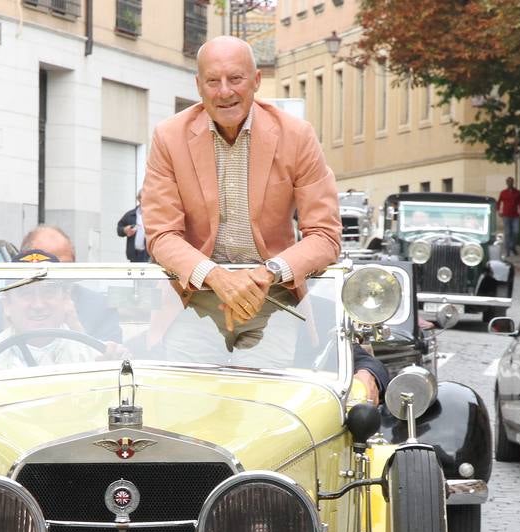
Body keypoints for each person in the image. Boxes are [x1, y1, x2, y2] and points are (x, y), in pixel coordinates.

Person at [141, 35, 387, 401]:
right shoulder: (168, 136)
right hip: (195, 298)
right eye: (213, 81)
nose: (225, 91)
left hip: (272, 297)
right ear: (198, 86)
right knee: (184, 403)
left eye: (236, 79)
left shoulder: (297, 135)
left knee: (262, 404)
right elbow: (161, 235)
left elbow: (325, 236)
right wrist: (215, 276)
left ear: (256, 80)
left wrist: (268, 273)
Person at [116, 192, 151, 263]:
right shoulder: (130, 214)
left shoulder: (155, 215)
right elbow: (119, 229)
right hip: (134, 256)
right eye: (143, 197)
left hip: (149, 256)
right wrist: (124, 230)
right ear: (138, 199)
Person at [497, 176, 520, 257]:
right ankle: (507, 251)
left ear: (513, 183)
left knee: (516, 231)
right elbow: (499, 202)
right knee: (507, 233)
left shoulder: (517, 192)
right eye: (508, 182)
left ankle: (512, 246)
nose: (510, 183)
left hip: (515, 215)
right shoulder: (503, 192)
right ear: (506, 183)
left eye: (511, 182)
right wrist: (499, 211)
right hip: (506, 215)